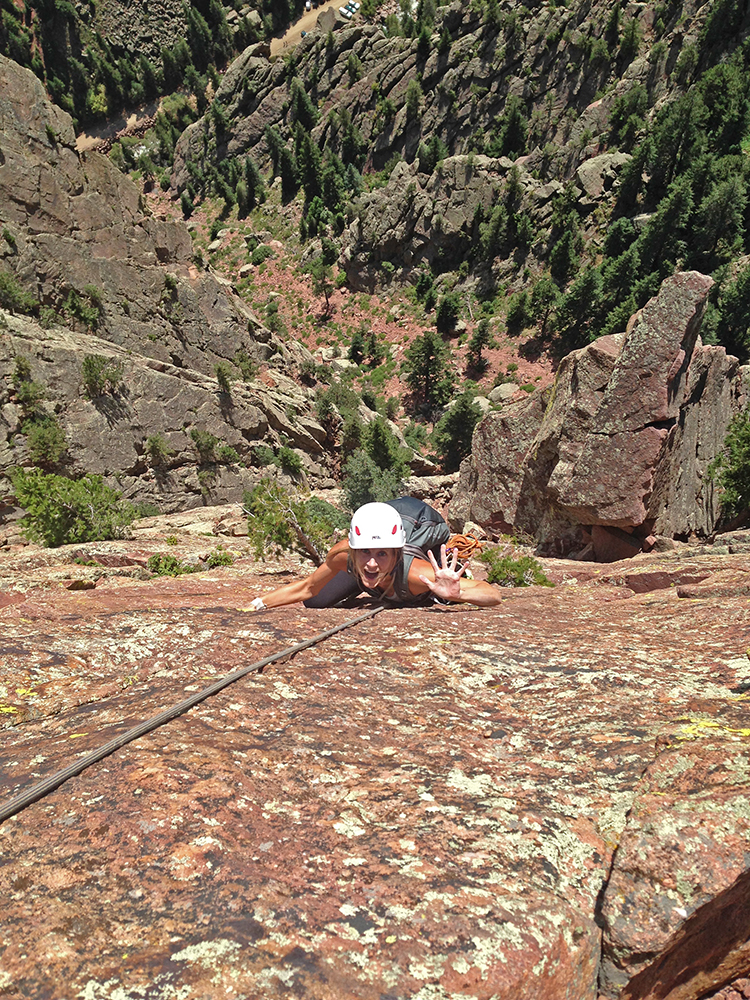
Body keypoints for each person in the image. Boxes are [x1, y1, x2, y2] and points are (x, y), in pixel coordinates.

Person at [246, 498, 502, 611]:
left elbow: (493, 594)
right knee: (317, 602)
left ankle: (445, 560)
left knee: (426, 594)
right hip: (394, 521)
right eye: (364, 552)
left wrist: (459, 594)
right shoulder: (342, 555)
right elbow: (308, 588)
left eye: (381, 554)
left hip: (422, 521)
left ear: (395, 554)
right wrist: (258, 604)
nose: (370, 563)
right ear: (353, 550)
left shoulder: (417, 574)